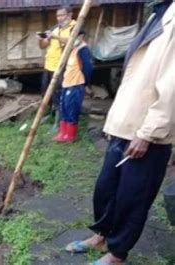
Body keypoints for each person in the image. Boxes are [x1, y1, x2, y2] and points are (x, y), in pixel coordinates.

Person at [66, 1, 174, 264]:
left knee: (132, 197)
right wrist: (113, 122)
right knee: (106, 188)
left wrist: (148, 133)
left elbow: (172, 84)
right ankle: (102, 236)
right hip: (124, 125)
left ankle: (117, 253)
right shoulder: (156, 15)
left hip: (146, 130)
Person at [37, 5, 76, 131]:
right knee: (46, 92)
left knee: (59, 94)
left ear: (70, 15)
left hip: (62, 66)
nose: (59, 18)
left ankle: (59, 121)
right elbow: (43, 46)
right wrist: (41, 39)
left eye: (62, 15)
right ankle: (51, 114)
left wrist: (56, 37)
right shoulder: (55, 28)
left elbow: (72, 42)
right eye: (58, 16)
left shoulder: (75, 27)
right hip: (49, 65)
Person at [53, 29, 93, 143]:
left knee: (72, 109)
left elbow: (88, 68)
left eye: (75, 36)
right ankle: (63, 133)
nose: (72, 38)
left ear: (81, 36)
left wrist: (84, 82)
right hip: (67, 83)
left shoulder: (83, 49)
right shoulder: (73, 49)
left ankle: (70, 135)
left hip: (76, 83)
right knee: (64, 108)